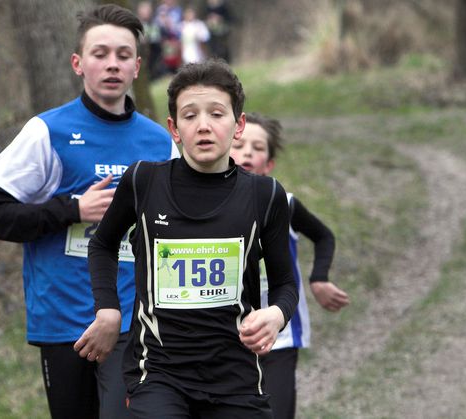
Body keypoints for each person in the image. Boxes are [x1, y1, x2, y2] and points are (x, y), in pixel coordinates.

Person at [0, 4, 179, 419]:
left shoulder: (159, 143)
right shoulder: (48, 132)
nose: (112, 64)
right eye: (100, 54)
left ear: (137, 67)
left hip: (133, 320)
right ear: (78, 64)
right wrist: (72, 209)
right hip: (64, 318)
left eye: (123, 55)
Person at [76, 59, 299, 418]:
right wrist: (108, 309)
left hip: (235, 374)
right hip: (159, 372)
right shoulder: (143, 182)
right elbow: (102, 244)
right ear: (174, 128)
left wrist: (276, 314)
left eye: (217, 114)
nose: (204, 126)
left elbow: (285, 282)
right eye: (190, 115)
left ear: (238, 125)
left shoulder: (265, 195)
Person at [229, 112, 350, 419]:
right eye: (239, 145)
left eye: (257, 148)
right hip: (224, 336)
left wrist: (319, 278)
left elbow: (323, 236)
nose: (247, 153)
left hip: (279, 337)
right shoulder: (203, 207)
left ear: (269, 164)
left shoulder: (285, 203)